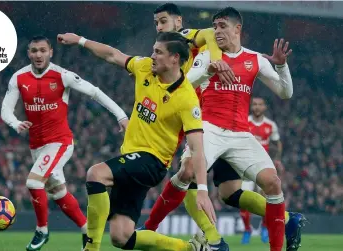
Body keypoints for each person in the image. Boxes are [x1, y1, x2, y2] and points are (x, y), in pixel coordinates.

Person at [142, 6, 306, 251]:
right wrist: (208, 69)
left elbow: (286, 93)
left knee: (272, 183)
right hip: (210, 128)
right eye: (215, 27)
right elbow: (182, 83)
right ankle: (149, 227)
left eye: (222, 26)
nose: (217, 31)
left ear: (237, 29)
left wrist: (282, 66)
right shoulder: (209, 56)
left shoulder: (254, 59)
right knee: (187, 171)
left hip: (241, 134)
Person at [57, 31, 215, 251]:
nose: (152, 56)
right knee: (122, 237)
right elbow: (113, 55)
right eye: (153, 50)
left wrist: (203, 190)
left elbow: (197, 148)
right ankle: (190, 248)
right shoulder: (144, 69)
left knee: (96, 174)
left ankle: (90, 248)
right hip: (132, 157)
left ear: (174, 59)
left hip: (153, 162)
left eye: (158, 52)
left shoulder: (187, 99)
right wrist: (81, 41)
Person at [1, 35, 129, 251]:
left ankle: (42, 230)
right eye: (34, 51)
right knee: (58, 192)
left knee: (33, 183)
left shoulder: (63, 76)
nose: (38, 55)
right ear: (28, 53)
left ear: (51, 52)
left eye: (42, 50)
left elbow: (95, 92)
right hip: (37, 146)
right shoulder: (19, 78)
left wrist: (120, 115)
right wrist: (15, 123)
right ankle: (87, 231)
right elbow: (6, 108)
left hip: (60, 142)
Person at [240, 97, 284, 244]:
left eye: (260, 105)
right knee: (244, 201)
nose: (257, 107)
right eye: (254, 104)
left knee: (266, 199)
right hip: (246, 166)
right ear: (251, 106)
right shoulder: (244, 121)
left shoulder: (270, 125)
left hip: (263, 167)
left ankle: (265, 227)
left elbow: (277, 143)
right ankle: (247, 230)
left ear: (264, 107)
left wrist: (277, 159)